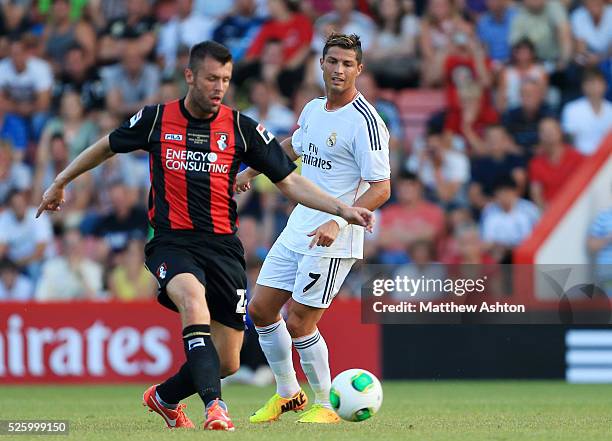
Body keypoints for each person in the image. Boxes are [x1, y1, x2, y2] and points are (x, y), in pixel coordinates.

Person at [36, 40, 373, 431]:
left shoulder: (241, 128)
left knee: (226, 360)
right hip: (171, 243)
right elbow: (106, 147)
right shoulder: (157, 120)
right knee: (193, 301)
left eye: (226, 80)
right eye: (212, 78)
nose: (219, 87)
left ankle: (164, 397)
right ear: (190, 76)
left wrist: (342, 210)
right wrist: (61, 181)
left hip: (223, 248)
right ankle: (216, 407)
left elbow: (290, 182)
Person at [236, 33, 391, 424]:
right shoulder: (312, 108)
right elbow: (295, 146)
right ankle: (288, 394)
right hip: (299, 225)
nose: (339, 70)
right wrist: (253, 171)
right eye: (332, 61)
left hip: (335, 235)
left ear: (359, 69)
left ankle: (326, 404)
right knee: (261, 309)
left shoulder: (367, 123)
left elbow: (382, 187)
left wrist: (338, 221)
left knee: (300, 321)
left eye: (347, 64)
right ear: (321, 64)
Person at [561, 68, 612, 155]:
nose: (594, 86)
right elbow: (569, 142)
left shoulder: (610, 109)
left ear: (605, 85)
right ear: (583, 86)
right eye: (590, 82)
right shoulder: (571, 109)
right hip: (580, 159)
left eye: (598, 82)